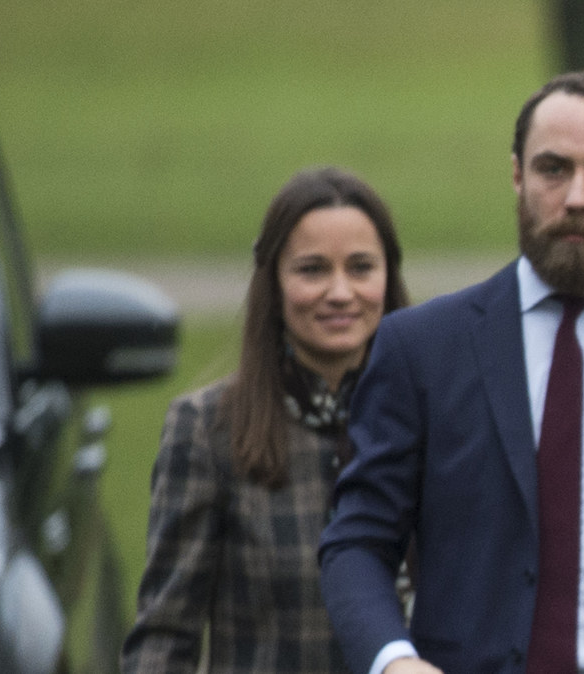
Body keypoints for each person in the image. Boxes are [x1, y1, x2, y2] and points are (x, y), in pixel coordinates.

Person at [318, 69, 584, 674]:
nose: (577, 196)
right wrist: (394, 661)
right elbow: (356, 542)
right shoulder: (422, 347)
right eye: (553, 168)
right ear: (517, 174)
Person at [122, 166, 411, 673]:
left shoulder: (434, 422)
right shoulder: (208, 431)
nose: (340, 292)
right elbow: (165, 637)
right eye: (312, 269)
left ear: (389, 277)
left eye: (361, 267)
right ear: (274, 282)